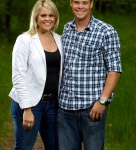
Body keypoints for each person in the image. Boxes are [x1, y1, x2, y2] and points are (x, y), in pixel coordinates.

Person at [58, 0, 122, 150]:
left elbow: (114, 69)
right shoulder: (67, 29)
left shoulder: (106, 31)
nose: (80, 6)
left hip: (92, 109)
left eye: (85, 2)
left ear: (91, 4)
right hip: (65, 108)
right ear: (71, 3)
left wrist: (102, 101)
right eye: (76, 2)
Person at [9, 0, 62, 149]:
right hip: (30, 104)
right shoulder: (25, 40)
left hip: (53, 104)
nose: (47, 19)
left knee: (55, 147)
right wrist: (26, 109)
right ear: (36, 18)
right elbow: (18, 75)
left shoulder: (59, 39)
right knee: (24, 147)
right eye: (43, 15)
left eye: (51, 15)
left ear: (56, 17)